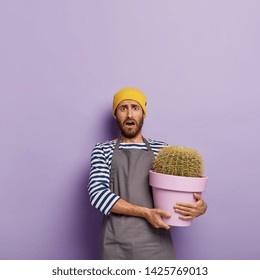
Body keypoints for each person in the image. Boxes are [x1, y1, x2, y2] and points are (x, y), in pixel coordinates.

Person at [88, 87, 207, 260]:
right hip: (115, 245)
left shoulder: (163, 150)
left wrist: (200, 207)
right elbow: (97, 193)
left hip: (157, 245)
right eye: (123, 108)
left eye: (135, 108)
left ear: (143, 114)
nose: (129, 115)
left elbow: (182, 191)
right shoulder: (102, 150)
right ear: (115, 114)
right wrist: (145, 212)